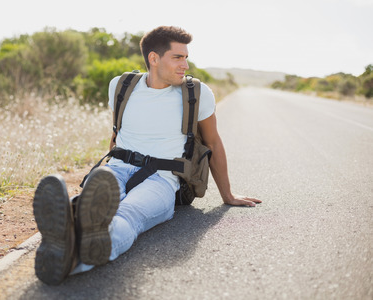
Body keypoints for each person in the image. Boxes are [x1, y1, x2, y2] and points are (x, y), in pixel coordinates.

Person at [32, 25, 262, 285]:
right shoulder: (121, 85)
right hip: (115, 170)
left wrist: (227, 195)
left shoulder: (197, 94)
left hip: (162, 179)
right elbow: (117, 131)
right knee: (90, 204)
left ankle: (68, 257)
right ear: (154, 58)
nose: (185, 65)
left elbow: (213, 143)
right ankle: (73, 228)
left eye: (186, 57)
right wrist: (109, 162)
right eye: (178, 57)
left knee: (128, 215)